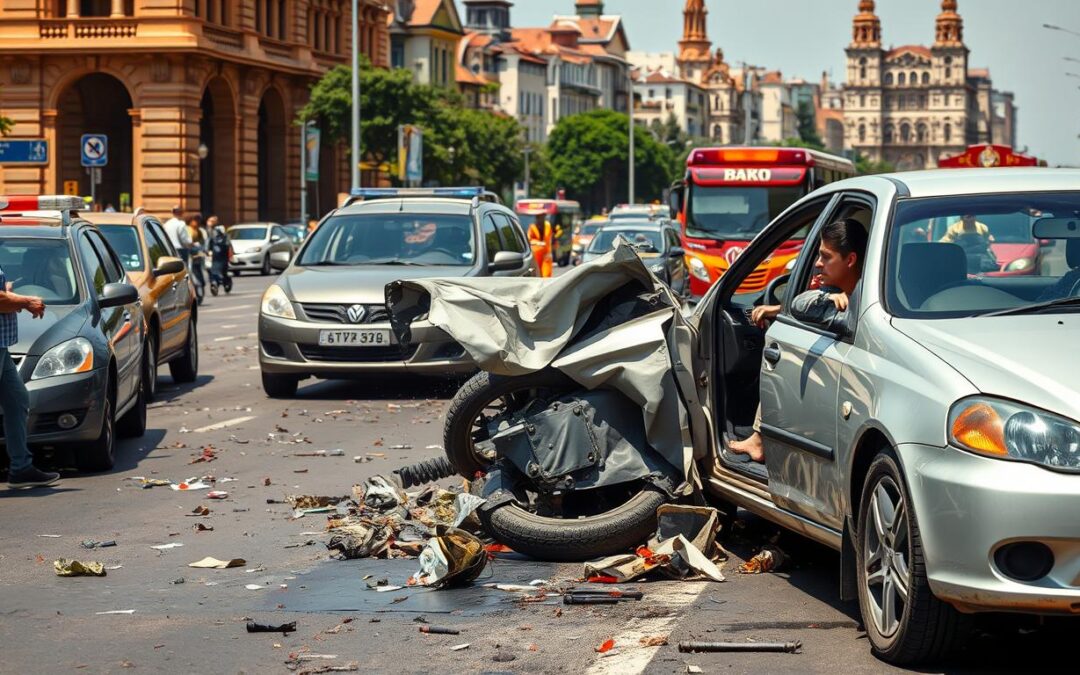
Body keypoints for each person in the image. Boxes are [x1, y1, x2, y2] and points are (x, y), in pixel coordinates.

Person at [728, 218, 869, 463]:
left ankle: (758, 438)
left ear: (850, 260)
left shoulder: (859, 301)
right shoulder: (835, 295)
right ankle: (758, 437)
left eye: (826, 257)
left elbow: (799, 304)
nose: (817, 264)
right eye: (818, 256)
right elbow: (798, 304)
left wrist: (830, 300)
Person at [0, 268, 59, 488]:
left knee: (17, 401)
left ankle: (20, 469)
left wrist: (10, 294)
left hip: (2, 346)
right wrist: (25, 301)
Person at [208, 221, 233, 296]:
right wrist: (206, 252)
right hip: (214, 259)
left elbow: (230, 247)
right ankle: (214, 282)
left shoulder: (225, 238)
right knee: (212, 271)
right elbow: (207, 246)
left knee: (223, 272)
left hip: (223, 259)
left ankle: (226, 282)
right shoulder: (212, 238)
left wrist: (231, 255)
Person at [187, 217, 207, 305]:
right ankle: (196, 294)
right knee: (194, 277)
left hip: (198, 256)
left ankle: (200, 292)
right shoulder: (188, 230)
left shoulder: (198, 231)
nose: (197, 223)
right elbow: (188, 243)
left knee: (199, 275)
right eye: (195, 221)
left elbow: (202, 242)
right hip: (191, 256)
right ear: (190, 222)